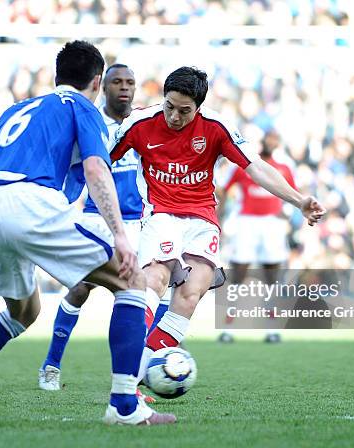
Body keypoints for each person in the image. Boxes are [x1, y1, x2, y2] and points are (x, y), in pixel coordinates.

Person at [0, 41, 175, 426]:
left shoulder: (15, 112)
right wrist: (120, 235)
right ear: (97, 82)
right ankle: (124, 407)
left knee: (23, 312)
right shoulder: (82, 107)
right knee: (133, 279)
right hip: (29, 203)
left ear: (56, 77)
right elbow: (97, 170)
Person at [109, 66, 326, 382]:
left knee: (191, 292)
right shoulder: (140, 124)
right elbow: (99, 160)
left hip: (201, 219)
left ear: (198, 107)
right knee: (155, 280)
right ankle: (129, 374)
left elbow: (256, 167)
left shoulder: (216, 127)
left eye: (184, 111)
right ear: (163, 98)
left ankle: (141, 368)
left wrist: (298, 200)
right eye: (170, 106)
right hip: (160, 215)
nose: (175, 117)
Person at [37, 64, 167, 402]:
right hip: (99, 218)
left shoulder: (144, 124)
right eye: (116, 82)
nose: (124, 88)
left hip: (140, 220)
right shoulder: (89, 121)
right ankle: (51, 364)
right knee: (81, 288)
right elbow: (77, 171)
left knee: (151, 291)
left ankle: (136, 377)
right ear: (102, 86)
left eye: (130, 82)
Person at [216, 130, 297, 343]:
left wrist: (286, 215)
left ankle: (271, 328)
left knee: (272, 276)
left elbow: (293, 193)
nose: (271, 142)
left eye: (275, 139)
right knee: (238, 274)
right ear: (261, 142)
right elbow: (223, 189)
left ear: (277, 143)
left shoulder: (284, 169)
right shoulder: (246, 166)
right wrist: (219, 217)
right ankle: (228, 327)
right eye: (268, 139)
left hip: (272, 224)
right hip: (246, 222)